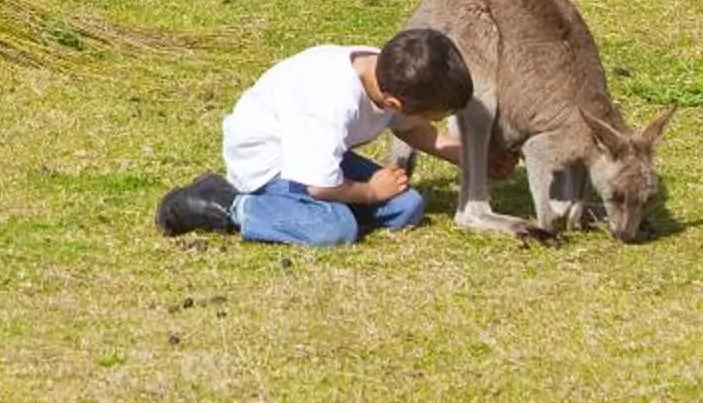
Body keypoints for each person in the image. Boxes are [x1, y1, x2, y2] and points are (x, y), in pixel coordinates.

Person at [155, 29, 475, 243]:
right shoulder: (333, 102)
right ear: (395, 104)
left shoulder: (390, 72)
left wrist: (471, 159)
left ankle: (304, 211)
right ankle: (224, 203)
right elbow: (320, 185)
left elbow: (416, 130)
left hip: (314, 153)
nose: (439, 122)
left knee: (407, 206)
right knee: (335, 229)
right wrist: (370, 192)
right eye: (437, 116)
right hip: (270, 161)